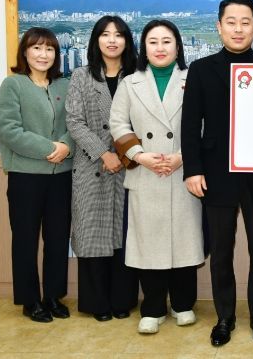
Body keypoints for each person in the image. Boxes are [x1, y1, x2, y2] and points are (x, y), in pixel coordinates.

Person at [181, 0, 253, 347]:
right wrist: (192, 170)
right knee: (221, 252)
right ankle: (224, 317)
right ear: (219, 26)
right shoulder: (201, 69)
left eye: (245, 23)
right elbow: (190, 125)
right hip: (215, 175)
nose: (238, 29)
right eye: (231, 22)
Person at [109, 19, 204, 334]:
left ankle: (183, 304)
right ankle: (152, 308)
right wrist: (140, 155)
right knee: (148, 244)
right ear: (143, 47)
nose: (160, 48)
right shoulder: (129, 83)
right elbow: (118, 124)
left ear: (178, 46)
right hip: (145, 173)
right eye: (153, 42)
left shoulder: (194, 79)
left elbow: (206, 124)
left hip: (184, 172)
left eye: (166, 41)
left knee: (185, 240)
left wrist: (183, 156)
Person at [0, 27, 74, 323]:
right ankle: (30, 300)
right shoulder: (13, 84)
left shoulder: (64, 85)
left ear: (57, 54)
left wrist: (66, 145)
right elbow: (9, 130)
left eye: (49, 49)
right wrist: (50, 148)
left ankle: (53, 296)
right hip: (25, 176)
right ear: (25, 52)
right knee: (25, 239)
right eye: (37, 48)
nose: (43, 54)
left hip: (61, 176)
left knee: (57, 238)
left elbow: (75, 122)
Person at [65, 16, 139, 321]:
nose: (112, 40)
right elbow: (74, 121)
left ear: (127, 41)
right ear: (96, 40)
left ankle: (123, 300)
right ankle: (97, 303)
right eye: (105, 34)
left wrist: (124, 154)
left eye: (118, 35)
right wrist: (103, 153)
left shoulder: (136, 76)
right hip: (91, 167)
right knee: (93, 235)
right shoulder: (81, 76)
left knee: (124, 234)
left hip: (129, 165)